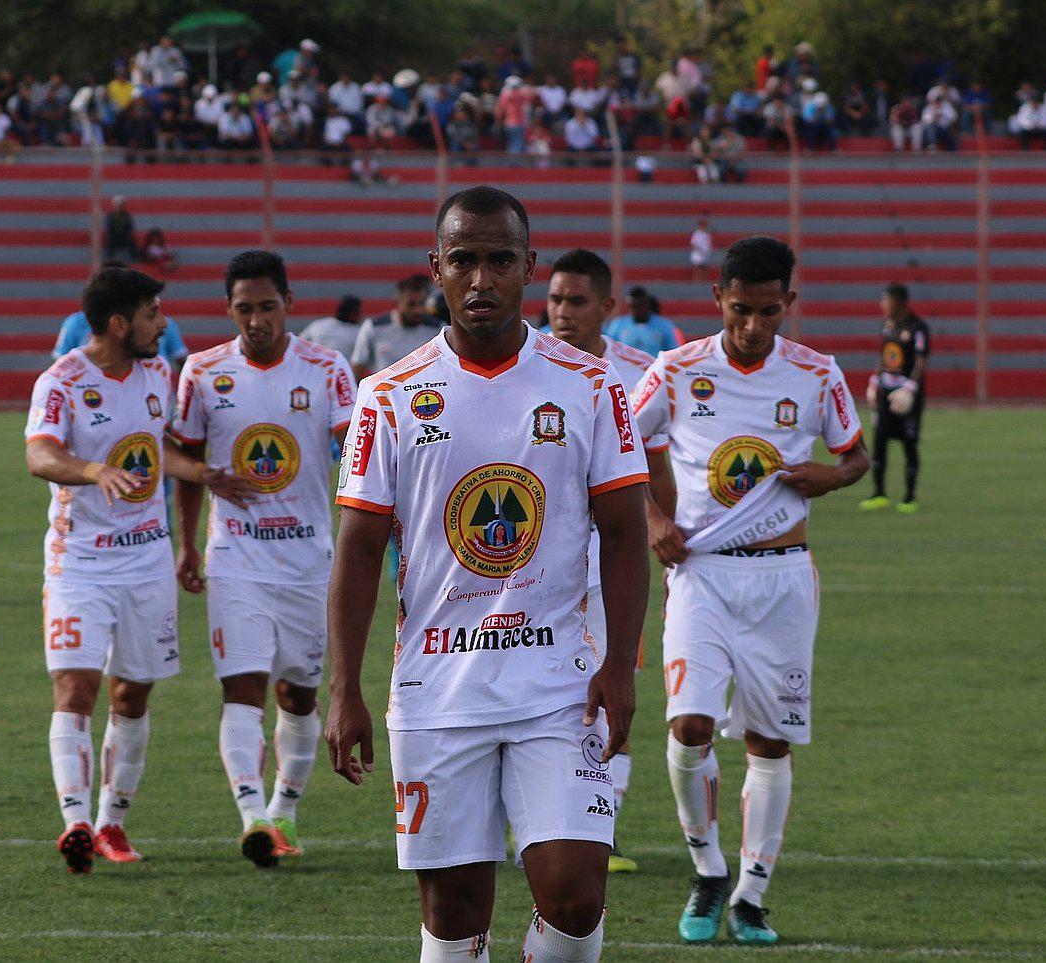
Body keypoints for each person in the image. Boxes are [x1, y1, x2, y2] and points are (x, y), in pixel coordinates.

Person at [327, 186, 650, 962]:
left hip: (558, 683)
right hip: (439, 688)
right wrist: (344, 689)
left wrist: (620, 663)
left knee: (575, 898)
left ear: (529, 267)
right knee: (452, 911)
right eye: (463, 259)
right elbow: (360, 550)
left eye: (500, 259)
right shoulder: (389, 395)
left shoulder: (592, 386)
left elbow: (626, 532)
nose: (482, 278)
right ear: (435, 267)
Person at [631, 235, 869, 946]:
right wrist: (651, 518)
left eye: (770, 311)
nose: (754, 327)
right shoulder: (676, 370)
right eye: (741, 311)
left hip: (784, 576)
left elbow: (856, 454)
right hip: (701, 574)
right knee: (690, 725)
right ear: (718, 300)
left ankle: (751, 895)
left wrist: (833, 475)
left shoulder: (816, 373)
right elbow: (613, 441)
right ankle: (707, 870)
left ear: (789, 303)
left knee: (769, 741)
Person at [25, 266, 253, 872]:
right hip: (78, 564)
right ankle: (75, 821)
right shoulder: (63, 381)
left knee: (133, 692)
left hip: (147, 562)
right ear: (120, 323)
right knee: (76, 688)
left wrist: (202, 474)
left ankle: (111, 824)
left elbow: (159, 448)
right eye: (154, 313)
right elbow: (40, 453)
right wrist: (93, 470)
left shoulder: (157, 373)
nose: (164, 323)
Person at [171, 251, 356, 867]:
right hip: (236, 560)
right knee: (242, 688)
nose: (256, 320)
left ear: (289, 304)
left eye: (267, 307)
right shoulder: (201, 372)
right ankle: (253, 816)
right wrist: (189, 541)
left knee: (298, 695)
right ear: (229, 310)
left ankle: (284, 810)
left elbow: (353, 454)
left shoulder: (328, 369)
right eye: (244, 309)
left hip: (308, 561)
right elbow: (187, 463)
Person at [545, 249, 676, 875]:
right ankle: (542, 824)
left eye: (576, 302)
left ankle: (600, 828)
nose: (563, 314)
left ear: (608, 308)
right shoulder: (529, 363)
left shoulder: (640, 372)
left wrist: (664, 534)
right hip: (536, 560)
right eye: (555, 301)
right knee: (540, 689)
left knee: (608, 681)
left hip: (613, 560)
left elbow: (656, 468)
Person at [860, 283, 930, 513]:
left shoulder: (917, 327)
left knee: (909, 443)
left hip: (907, 396)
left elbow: (920, 361)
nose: (882, 305)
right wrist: (874, 380)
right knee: (879, 441)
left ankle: (909, 497)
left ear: (899, 302)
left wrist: (910, 388)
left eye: (885, 300)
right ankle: (879, 493)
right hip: (886, 393)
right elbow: (883, 357)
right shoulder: (887, 327)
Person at [52, 277, 188, 371]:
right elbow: (60, 361)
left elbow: (181, 358)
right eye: (151, 314)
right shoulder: (63, 384)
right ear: (119, 325)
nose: (163, 323)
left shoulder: (159, 371)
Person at [350, 274, 436, 380]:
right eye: (411, 304)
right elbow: (357, 366)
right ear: (397, 303)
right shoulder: (374, 327)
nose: (418, 310)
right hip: (384, 393)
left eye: (422, 303)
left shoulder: (437, 329)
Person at [605, 285, 681, 356]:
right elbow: (608, 349)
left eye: (638, 306)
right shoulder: (618, 324)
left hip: (653, 368)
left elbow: (672, 352)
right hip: (625, 368)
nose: (635, 310)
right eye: (631, 306)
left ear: (647, 305)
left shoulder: (664, 325)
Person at [299, 294, 364, 357]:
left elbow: (298, 344)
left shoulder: (317, 325)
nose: (360, 315)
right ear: (352, 314)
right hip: (341, 367)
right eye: (359, 312)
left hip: (315, 366)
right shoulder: (358, 333)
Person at [104, 196, 138, 262]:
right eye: (117, 205)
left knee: (132, 241)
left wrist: (128, 234)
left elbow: (130, 227)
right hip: (114, 237)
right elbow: (109, 228)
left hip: (124, 237)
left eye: (121, 205)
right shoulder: (110, 216)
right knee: (110, 241)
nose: (119, 206)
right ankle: (109, 259)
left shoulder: (127, 215)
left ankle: (136, 258)